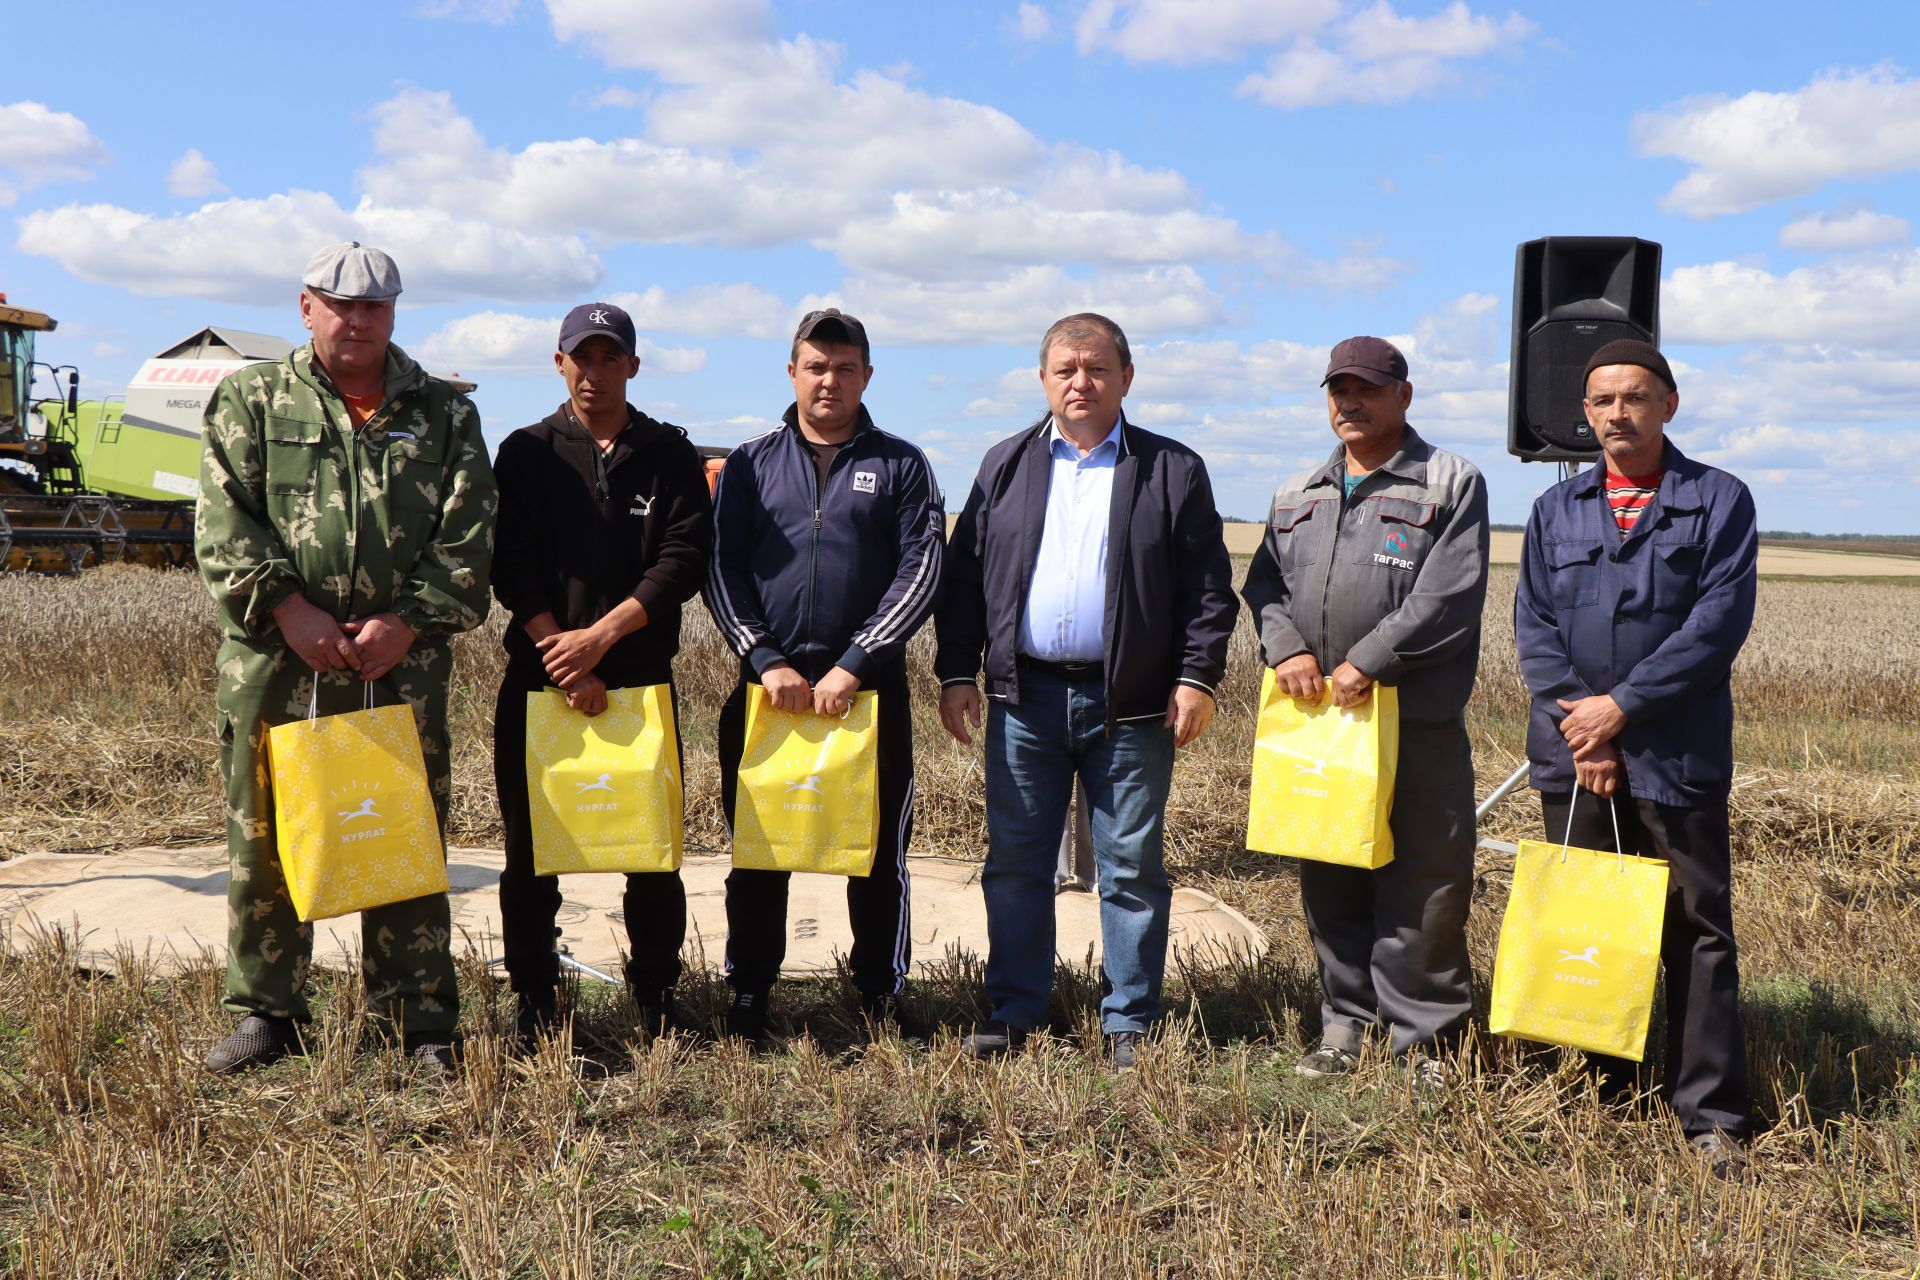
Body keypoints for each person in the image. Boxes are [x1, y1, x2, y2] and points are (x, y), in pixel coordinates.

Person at [195, 241, 497, 1073]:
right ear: (306, 307)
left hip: (399, 666)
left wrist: (410, 619)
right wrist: (288, 609)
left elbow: (468, 541)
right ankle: (268, 1011)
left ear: (394, 313)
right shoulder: (250, 400)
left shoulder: (445, 413)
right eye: (340, 304)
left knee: (399, 831)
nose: (357, 319)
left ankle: (417, 1022)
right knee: (264, 834)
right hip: (276, 664)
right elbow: (223, 524)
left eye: (375, 306)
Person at [936, 312, 1237, 1070]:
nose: (1081, 382)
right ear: (1043, 380)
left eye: (1097, 369)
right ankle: (1014, 1009)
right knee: (1015, 863)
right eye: (1065, 369)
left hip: (1131, 705)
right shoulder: (1004, 465)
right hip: (1021, 701)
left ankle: (1128, 1021)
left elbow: (1209, 589)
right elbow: (965, 579)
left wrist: (1197, 676)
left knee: (1131, 866)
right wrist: (956, 672)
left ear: (1126, 379)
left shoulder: (1171, 469)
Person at [1514, 338, 1757, 1176]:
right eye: (1601, 401)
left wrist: (1621, 711)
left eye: (1635, 397)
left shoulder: (1717, 500)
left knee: (1695, 931)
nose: (1618, 413)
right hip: (1574, 754)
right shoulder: (1556, 511)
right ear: (1584, 414)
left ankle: (1710, 1116)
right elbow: (1535, 628)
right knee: (1587, 921)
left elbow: (1715, 627)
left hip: (1675, 751)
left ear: (1668, 404)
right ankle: (1599, 1093)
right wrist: (1587, 729)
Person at [1241, 336, 1489, 1084]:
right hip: (1323, 725)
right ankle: (1345, 1026)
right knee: (1331, 877)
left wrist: (1367, 662)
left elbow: (1446, 598)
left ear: (1402, 397)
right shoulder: (1297, 491)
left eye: (1367, 390)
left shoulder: (1449, 481)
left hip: (1415, 727)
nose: (1349, 402)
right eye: (1337, 390)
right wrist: (1286, 651)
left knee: (1427, 885)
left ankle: (1428, 1045)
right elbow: (1264, 587)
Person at [702, 308, 944, 1046]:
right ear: (792, 373)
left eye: (844, 368)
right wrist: (765, 658)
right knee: (759, 852)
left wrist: (855, 663)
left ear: (866, 376)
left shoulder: (902, 464)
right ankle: (748, 997)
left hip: (866, 699)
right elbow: (722, 566)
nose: (829, 380)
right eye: (816, 366)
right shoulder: (748, 462)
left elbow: (921, 568)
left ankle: (878, 996)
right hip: (766, 696)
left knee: (874, 858)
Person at [489, 302, 713, 1047]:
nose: (595, 371)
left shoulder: (669, 454)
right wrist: (562, 654)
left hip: (639, 687)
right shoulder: (525, 452)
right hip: (540, 684)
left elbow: (681, 559)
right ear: (559, 364)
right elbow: (509, 564)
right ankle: (534, 998)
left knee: (651, 856)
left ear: (632, 367)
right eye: (581, 357)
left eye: (609, 357)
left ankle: (655, 996)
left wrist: (602, 640)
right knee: (532, 855)